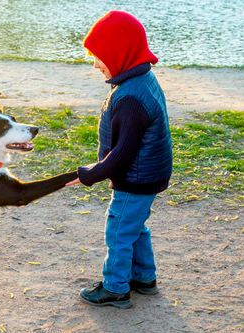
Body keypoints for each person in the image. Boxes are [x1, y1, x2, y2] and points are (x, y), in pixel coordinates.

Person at [66, 10, 173, 308]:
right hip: (149, 173)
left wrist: (92, 174)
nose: (95, 63)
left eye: (100, 56)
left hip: (136, 177)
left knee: (118, 229)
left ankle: (115, 288)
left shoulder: (129, 99)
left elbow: (123, 153)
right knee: (135, 225)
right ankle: (144, 278)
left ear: (119, 53)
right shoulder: (142, 78)